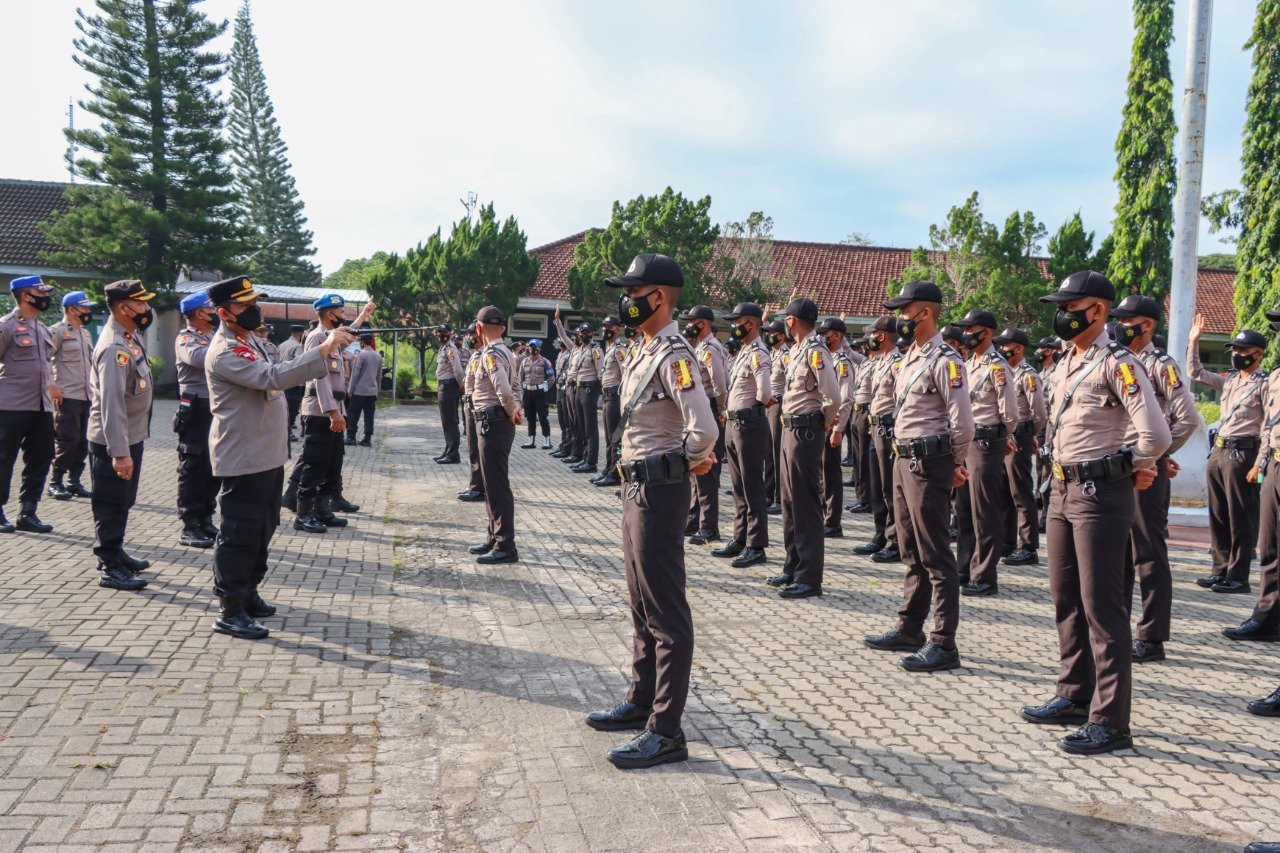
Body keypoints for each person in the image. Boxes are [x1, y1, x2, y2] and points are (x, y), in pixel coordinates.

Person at [1020, 270, 1171, 755]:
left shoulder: (1118, 363)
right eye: (1061, 305)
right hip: (1063, 491)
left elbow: (1157, 434)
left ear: (1098, 311)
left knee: (1102, 608)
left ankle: (1110, 721)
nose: (1062, 314)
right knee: (1066, 598)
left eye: (1072, 305)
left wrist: (1133, 467)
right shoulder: (1068, 361)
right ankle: (1073, 692)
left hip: (1100, 495)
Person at [584, 252, 716, 770]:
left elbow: (703, 427)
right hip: (636, 487)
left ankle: (666, 730)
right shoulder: (645, 350)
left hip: (659, 490)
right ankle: (642, 700)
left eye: (634, 294)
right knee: (641, 603)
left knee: (665, 612)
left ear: (658, 297)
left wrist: (685, 462)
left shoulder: (673, 354)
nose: (627, 301)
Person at [204, 275, 355, 639]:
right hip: (243, 454)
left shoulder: (250, 341)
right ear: (225, 313)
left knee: (263, 527)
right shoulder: (226, 350)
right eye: (245, 305)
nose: (254, 309)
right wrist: (322, 350)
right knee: (239, 532)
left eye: (254, 302)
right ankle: (231, 607)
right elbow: (272, 377)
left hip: (266, 453)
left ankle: (249, 591)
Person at [864, 281, 974, 672]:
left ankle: (944, 642)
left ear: (924, 313)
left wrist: (955, 463)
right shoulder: (911, 357)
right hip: (903, 460)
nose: (900, 318)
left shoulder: (947, 360)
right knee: (911, 549)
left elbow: (962, 424)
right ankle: (910, 627)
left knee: (935, 554)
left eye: (905, 311)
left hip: (929, 464)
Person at [1110, 296, 1200, 663]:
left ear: (1147, 325)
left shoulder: (1161, 365)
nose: (1120, 326)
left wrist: (1159, 456)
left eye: (1128, 320)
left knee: (1148, 551)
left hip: (1146, 468)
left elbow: (1188, 418)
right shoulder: (1116, 359)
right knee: (1120, 552)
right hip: (1119, 467)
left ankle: (1151, 635)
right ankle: (1118, 627)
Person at [767, 298, 841, 599]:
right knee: (788, 502)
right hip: (790, 429)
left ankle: (809, 577)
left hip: (806, 432)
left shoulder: (815, 351)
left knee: (806, 504)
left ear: (793, 321)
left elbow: (833, 396)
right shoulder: (796, 351)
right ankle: (792, 565)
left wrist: (822, 422)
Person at [1188, 315, 1268, 594]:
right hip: (1219, 451)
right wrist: (1194, 342)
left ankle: (1239, 575)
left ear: (1258, 354)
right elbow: (1196, 373)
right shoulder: (1231, 381)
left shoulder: (1264, 385)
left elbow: (1270, 425)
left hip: (1244, 454)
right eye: (1234, 350)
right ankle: (1219, 569)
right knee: (1219, 514)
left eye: (1243, 351)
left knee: (1241, 517)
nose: (1237, 355)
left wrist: (1260, 463)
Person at [87, 279, 158, 591]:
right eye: (140, 303)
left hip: (130, 435)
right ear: (123, 307)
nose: (146, 308)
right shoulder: (115, 347)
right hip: (113, 441)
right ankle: (109, 564)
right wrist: (119, 452)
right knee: (110, 503)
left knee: (122, 500)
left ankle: (116, 551)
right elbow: (111, 404)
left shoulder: (129, 337)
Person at [286, 295, 374, 532]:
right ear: (328, 313)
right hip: (320, 411)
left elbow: (348, 332)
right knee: (315, 463)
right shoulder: (318, 337)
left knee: (332, 463)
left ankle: (323, 509)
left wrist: (363, 315)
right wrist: (333, 412)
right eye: (340, 311)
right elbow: (320, 377)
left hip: (335, 409)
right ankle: (303, 514)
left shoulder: (331, 337)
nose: (343, 315)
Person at [953, 309, 1017, 596]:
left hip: (986, 443)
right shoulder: (969, 362)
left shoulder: (997, 367)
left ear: (987, 333)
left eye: (972, 329)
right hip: (967, 443)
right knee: (964, 510)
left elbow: (1011, 413)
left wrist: (1003, 435)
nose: (966, 334)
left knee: (985, 511)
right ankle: (963, 567)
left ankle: (985, 575)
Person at [711, 303, 773, 568]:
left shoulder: (759, 353)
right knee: (738, 487)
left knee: (752, 487)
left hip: (749, 425)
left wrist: (754, 407)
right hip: (734, 425)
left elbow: (765, 392)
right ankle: (740, 537)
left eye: (738, 321)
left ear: (751, 324)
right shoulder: (746, 351)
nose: (734, 326)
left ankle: (756, 545)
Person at [0, 275, 58, 534]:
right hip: (10, 405)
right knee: (3, 459)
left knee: (41, 458)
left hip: (41, 407)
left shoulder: (43, 329)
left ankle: (28, 511)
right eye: (41, 292)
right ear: (26, 296)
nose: (46, 297)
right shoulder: (7, 326)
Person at [466, 307, 523, 564]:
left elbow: (503, 388)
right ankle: (493, 536)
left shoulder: (490, 355)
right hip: (497, 422)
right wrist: (516, 409)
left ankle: (505, 545)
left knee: (497, 486)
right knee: (491, 484)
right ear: (502, 329)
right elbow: (516, 385)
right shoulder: (507, 353)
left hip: (492, 423)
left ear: (479, 329)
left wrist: (512, 409)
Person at [993, 327, 1048, 567]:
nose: (1002, 349)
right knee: (1004, 491)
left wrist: (1030, 435)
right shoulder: (1004, 372)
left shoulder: (1028, 375)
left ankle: (1028, 546)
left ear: (1019, 348)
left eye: (1007, 345)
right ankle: (1007, 542)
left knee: (1021, 492)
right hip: (1004, 438)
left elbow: (1040, 414)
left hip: (1020, 437)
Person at [173, 292, 220, 549]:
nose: (214, 313)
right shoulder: (186, 338)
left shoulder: (213, 338)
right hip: (196, 408)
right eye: (210, 309)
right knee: (193, 468)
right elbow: (202, 359)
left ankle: (205, 517)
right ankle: (190, 524)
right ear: (200, 313)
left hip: (215, 407)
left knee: (213, 467)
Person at [853, 316, 902, 562]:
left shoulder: (897, 363)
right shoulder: (881, 361)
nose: (869, 338)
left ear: (881, 336)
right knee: (877, 487)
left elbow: (901, 401)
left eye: (872, 334)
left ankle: (895, 542)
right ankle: (880, 535)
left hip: (888, 431)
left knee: (890, 488)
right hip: (875, 430)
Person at [680, 305, 730, 544]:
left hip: (710, 406)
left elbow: (719, 384)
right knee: (695, 465)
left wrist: (721, 409)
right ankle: (694, 519)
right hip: (700, 405)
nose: (689, 325)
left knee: (707, 468)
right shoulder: (699, 347)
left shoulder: (711, 348)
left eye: (693, 321)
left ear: (704, 323)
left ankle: (709, 526)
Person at [47, 290, 97, 502]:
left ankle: (74, 481)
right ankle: (55, 481)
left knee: (84, 440)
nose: (87, 311)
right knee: (68, 439)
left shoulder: (85, 333)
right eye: (84, 307)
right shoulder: (56, 331)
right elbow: (45, 359)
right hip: (66, 394)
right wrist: (52, 386)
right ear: (71, 309)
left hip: (87, 394)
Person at [818, 318, 856, 537]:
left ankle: (833, 522)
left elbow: (845, 398)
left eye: (827, 333)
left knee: (831, 474)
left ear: (837, 336)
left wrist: (838, 429)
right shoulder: (828, 357)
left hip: (832, 425)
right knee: (822, 473)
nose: (823, 336)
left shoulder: (842, 361)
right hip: (823, 423)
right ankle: (825, 515)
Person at [1033, 337, 1062, 534]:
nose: (1039, 351)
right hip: (1042, 429)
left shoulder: (1057, 372)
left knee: (1048, 473)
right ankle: (1043, 511)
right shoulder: (1041, 373)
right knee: (1040, 468)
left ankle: (1046, 516)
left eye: (1042, 348)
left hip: (1053, 427)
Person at [593, 317, 627, 487]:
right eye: (604, 326)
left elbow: (625, 373)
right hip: (607, 396)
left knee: (615, 437)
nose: (606, 329)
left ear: (618, 329)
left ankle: (615, 474)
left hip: (615, 396)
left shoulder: (620, 350)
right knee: (608, 436)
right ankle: (608, 469)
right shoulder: (609, 349)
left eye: (610, 327)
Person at [570, 322, 604, 475]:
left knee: (590, 426)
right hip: (579, 388)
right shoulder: (580, 350)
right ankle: (585, 457)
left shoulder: (595, 350)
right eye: (582, 332)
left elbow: (600, 373)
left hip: (590, 389)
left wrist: (600, 392)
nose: (584, 335)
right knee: (581, 425)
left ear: (592, 334)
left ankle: (591, 461)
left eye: (587, 332)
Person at [457, 334, 486, 503]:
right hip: (470, 404)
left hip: (478, 406)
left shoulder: (486, 355)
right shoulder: (475, 354)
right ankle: (475, 484)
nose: (469, 338)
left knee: (478, 448)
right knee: (472, 448)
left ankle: (479, 488)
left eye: (472, 335)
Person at [764, 320, 788, 514]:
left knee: (776, 451)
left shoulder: (786, 355)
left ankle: (779, 498)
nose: (768, 336)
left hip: (779, 405)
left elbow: (791, 382)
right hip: (768, 405)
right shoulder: (773, 354)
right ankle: (768, 492)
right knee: (768, 451)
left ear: (781, 335)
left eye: (772, 333)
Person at [433, 324, 463, 464]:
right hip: (444, 386)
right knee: (446, 422)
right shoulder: (443, 348)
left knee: (450, 421)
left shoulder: (451, 349)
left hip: (449, 387)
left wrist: (462, 386)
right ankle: (448, 451)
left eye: (444, 332)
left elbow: (457, 370)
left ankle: (453, 455)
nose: (441, 334)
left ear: (450, 333)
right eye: (439, 332)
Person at [345, 334, 382, 447]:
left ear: (362, 342)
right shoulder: (378, 356)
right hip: (371, 392)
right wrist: (377, 390)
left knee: (353, 414)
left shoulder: (361, 355)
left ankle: (351, 437)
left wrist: (350, 390)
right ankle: (367, 438)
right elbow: (379, 376)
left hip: (359, 391)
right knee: (369, 415)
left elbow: (355, 374)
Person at [518, 338, 555, 450]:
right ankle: (531, 440)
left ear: (539, 348)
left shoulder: (544, 362)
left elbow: (551, 378)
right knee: (530, 417)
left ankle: (546, 440)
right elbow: (520, 378)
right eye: (530, 346)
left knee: (543, 416)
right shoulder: (524, 362)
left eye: (535, 347)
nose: (532, 349)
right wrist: (522, 391)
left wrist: (544, 387)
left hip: (540, 393)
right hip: (528, 392)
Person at [277, 325, 306, 440]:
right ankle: (288, 432)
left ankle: (282, 431)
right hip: (294, 382)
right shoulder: (297, 347)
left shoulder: (282, 345)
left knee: (283, 407)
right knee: (292, 408)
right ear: (300, 334)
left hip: (280, 379)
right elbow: (299, 364)